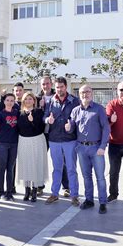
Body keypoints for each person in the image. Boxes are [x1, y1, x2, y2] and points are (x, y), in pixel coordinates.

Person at [68, 85, 110, 214]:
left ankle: (102, 202)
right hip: (81, 148)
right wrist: (68, 127)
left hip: (96, 148)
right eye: (82, 92)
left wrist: (103, 146)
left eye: (87, 92)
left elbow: (106, 128)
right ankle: (89, 200)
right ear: (79, 94)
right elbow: (72, 129)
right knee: (86, 177)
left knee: (100, 177)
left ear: (92, 93)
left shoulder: (99, 109)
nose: (85, 94)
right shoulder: (75, 110)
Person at [44, 76, 80, 206]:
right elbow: (45, 116)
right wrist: (48, 120)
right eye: (57, 87)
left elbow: (78, 118)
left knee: (71, 168)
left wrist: (71, 124)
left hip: (70, 140)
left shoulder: (75, 101)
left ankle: (75, 195)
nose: (59, 89)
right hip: (54, 140)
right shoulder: (51, 102)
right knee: (56, 168)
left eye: (61, 87)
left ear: (66, 87)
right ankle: (54, 193)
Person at [36, 76, 70, 197]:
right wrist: (39, 107)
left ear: (51, 84)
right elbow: (34, 115)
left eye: (47, 83)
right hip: (41, 134)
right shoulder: (36, 98)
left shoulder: (59, 96)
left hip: (57, 133)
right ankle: (39, 186)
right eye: (43, 84)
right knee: (40, 160)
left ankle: (66, 187)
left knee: (63, 161)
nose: (45, 86)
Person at [17, 92, 48, 202]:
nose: (28, 101)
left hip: (37, 140)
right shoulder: (19, 113)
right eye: (26, 99)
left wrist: (32, 121)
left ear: (34, 101)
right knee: (26, 165)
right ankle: (27, 190)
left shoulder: (39, 112)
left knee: (36, 164)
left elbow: (40, 128)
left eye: (30, 99)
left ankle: (34, 190)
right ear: (23, 101)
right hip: (23, 141)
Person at [0, 93, 19, 201]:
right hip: (2, 144)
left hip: (14, 144)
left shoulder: (17, 113)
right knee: (2, 167)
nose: (10, 102)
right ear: (4, 101)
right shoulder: (0, 114)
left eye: (12, 100)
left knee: (10, 168)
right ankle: (1, 192)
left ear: (14, 102)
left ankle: (9, 192)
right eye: (8, 100)